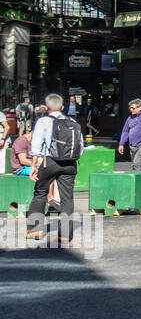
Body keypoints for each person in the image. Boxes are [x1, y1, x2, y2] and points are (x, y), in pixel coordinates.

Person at [24, 93, 82, 243]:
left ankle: (34, 230)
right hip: (70, 163)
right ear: (63, 107)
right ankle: (65, 235)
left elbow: (36, 145)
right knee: (67, 198)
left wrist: (33, 165)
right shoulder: (72, 121)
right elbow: (80, 146)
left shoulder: (43, 121)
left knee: (40, 192)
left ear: (46, 107)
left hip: (50, 161)